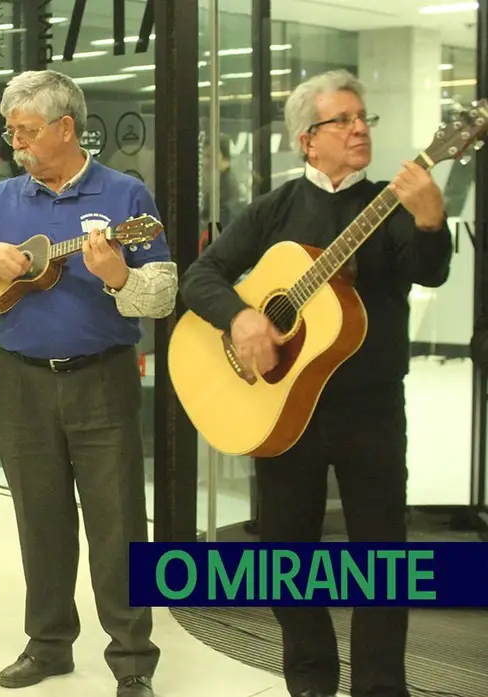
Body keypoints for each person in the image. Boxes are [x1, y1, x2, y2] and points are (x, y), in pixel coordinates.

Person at [180, 70, 451, 697]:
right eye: (344, 120)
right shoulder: (274, 208)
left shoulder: (391, 200)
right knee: (285, 553)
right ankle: (308, 680)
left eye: (365, 119)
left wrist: (432, 221)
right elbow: (202, 276)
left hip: (371, 408)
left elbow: (429, 273)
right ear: (308, 140)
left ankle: (381, 688)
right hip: (280, 410)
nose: (360, 129)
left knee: (381, 558)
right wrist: (242, 317)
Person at [0, 70, 175, 696]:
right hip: (20, 383)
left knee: (119, 523)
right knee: (40, 520)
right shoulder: (3, 199)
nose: (18, 145)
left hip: (103, 380)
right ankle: (48, 646)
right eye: (11, 133)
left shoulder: (126, 197)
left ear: (67, 127)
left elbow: (164, 293)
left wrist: (120, 277)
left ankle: (133, 660)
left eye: (28, 132)